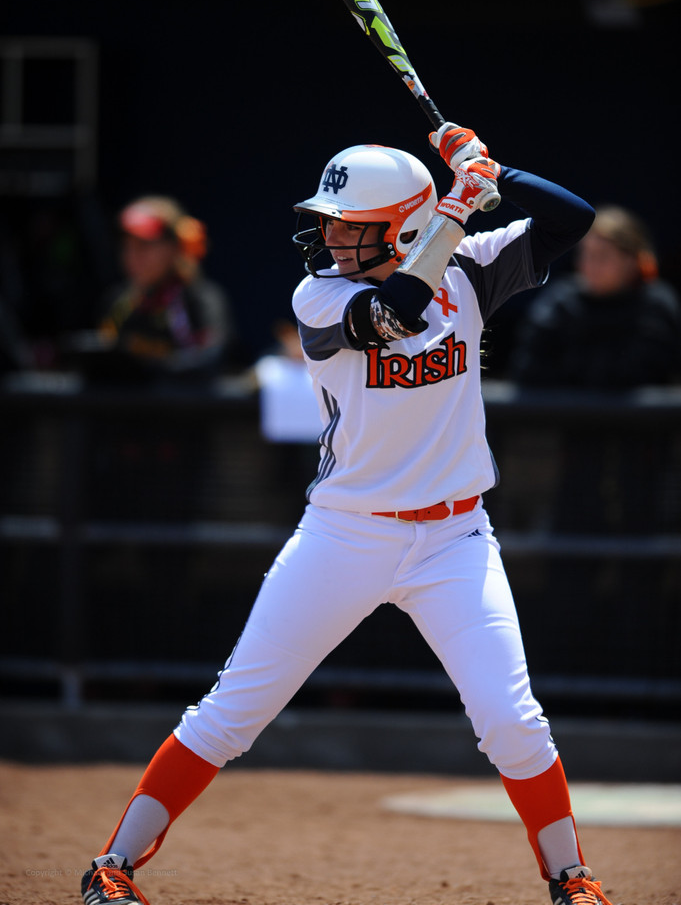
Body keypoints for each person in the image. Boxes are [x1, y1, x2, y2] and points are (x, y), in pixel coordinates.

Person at [78, 124, 616, 905]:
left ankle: (570, 878)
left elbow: (572, 218)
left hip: (454, 538)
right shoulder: (321, 294)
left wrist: (486, 169)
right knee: (233, 712)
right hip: (345, 534)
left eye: (348, 224)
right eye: (328, 220)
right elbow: (392, 316)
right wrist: (456, 208)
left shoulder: (468, 268)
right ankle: (111, 864)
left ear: (402, 226)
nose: (329, 235)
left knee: (511, 720)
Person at [509, 204, 681, 388]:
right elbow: (527, 368)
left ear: (632, 261)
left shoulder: (656, 304)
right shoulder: (560, 301)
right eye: (585, 254)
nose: (589, 265)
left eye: (602, 256)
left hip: (636, 418)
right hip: (564, 416)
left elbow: (646, 373)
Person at [70, 195, 238, 382]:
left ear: (174, 246)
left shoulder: (201, 301)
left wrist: (150, 368)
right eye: (127, 246)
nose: (133, 256)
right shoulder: (118, 302)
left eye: (144, 246)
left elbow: (209, 363)